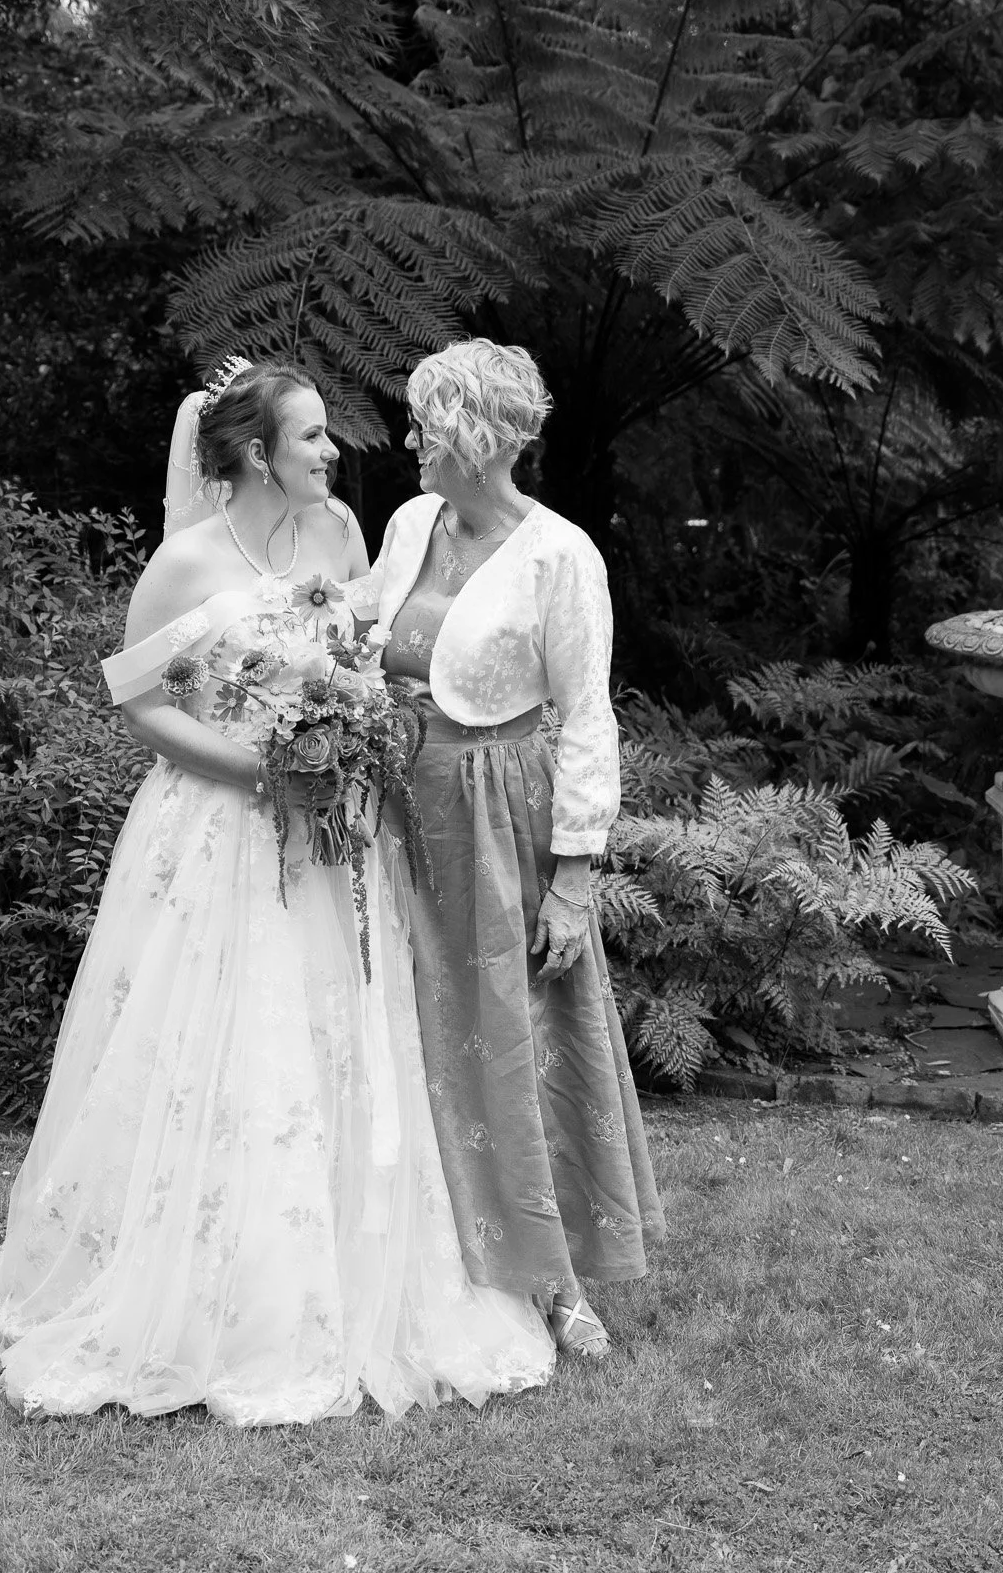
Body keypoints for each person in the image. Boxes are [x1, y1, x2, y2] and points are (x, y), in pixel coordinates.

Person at [0, 357, 555, 1424]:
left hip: (334, 836)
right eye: (312, 436)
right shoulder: (185, 563)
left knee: (340, 1037)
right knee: (222, 1042)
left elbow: (366, 657)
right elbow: (136, 701)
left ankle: (347, 1264)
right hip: (219, 831)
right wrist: (260, 770)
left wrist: (354, 740)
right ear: (253, 453)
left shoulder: (338, 536)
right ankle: (196, 1280)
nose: (333, 452)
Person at [360, 339, 664, 1360]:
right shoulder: (408, 524)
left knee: (516, 1029)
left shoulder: (560, 554)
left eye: (421, 424)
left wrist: (575, 875)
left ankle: (560, 1277)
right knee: (411, 1027)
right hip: (395, 810)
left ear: (468, 436)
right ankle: (434, 1260)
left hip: (502, 818)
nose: (407, 439)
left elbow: (587, 716)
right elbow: (362, 639)